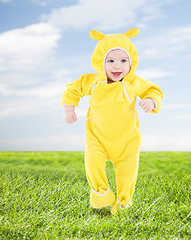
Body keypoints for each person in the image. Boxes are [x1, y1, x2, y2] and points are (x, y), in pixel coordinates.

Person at [61, 28, 163, 216]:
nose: (117, 66)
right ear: (101, 62)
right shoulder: (93, 81)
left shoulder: (134, 83)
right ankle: (101, 193)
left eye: (123, 60)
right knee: (92, 161)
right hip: (97, 138)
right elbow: (73, 89)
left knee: (127, 172)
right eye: (111, 60)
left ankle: (123, 203)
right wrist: (69, 109)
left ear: (131, 62)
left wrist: (151, 101)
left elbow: (153, 90)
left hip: (127, 141)